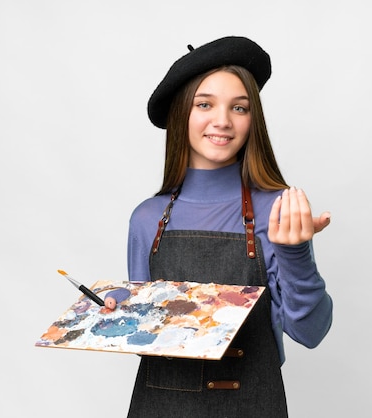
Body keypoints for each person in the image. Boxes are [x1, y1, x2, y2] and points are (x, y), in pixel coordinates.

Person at [126, 36, 333, 418]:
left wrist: (296, 252)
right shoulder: (146, 218)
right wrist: (118, 314)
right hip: (160, 406)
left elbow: (311, 332)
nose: (222, 120)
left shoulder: (277, 207)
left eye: (239, 107)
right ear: (180, 114)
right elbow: (146, 341)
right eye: (204, 104)